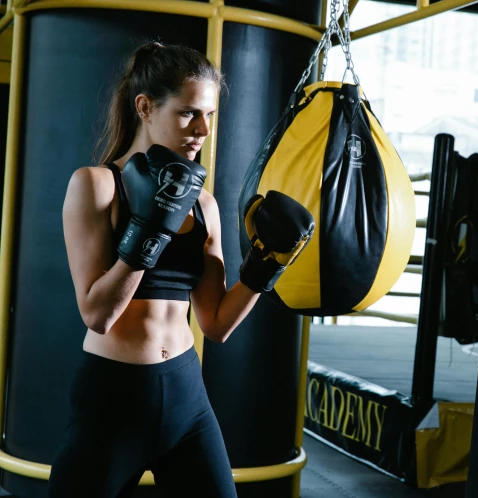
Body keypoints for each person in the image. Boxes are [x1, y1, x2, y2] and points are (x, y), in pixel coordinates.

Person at [49, 41, 314, 498]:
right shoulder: (95, 186)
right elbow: (97, 314)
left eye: (209, 115)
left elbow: (216, 324)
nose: (202, 129)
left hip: (187, 397)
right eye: (189, 113)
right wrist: (151, 228)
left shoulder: (204, 203)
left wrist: (262, 269)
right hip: (114, 397)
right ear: (146, 107)